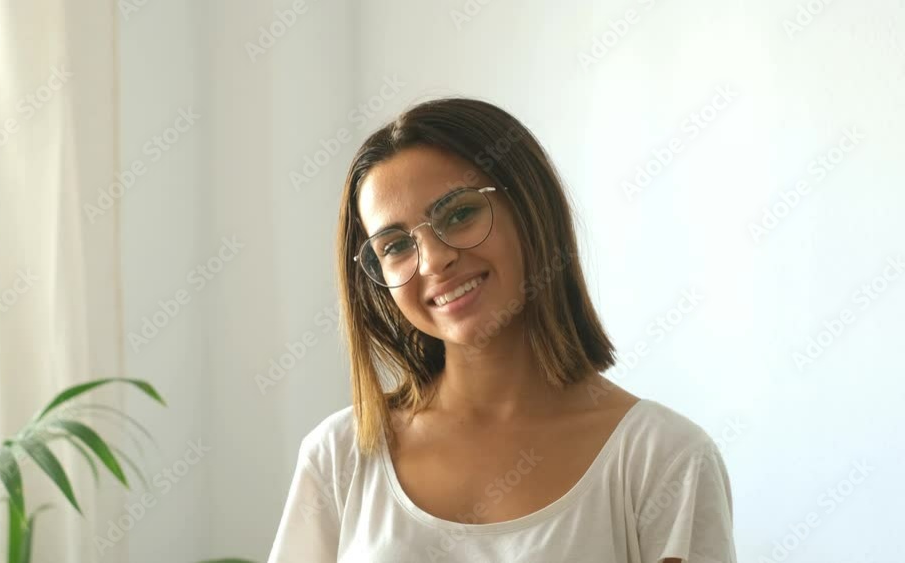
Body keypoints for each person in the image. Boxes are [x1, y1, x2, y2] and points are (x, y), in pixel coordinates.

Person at [267, 97, 738, 562]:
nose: (433, 260)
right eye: (394, 246)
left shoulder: (667, 461)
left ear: (532, 209)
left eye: (458, 214)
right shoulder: (339, 456)